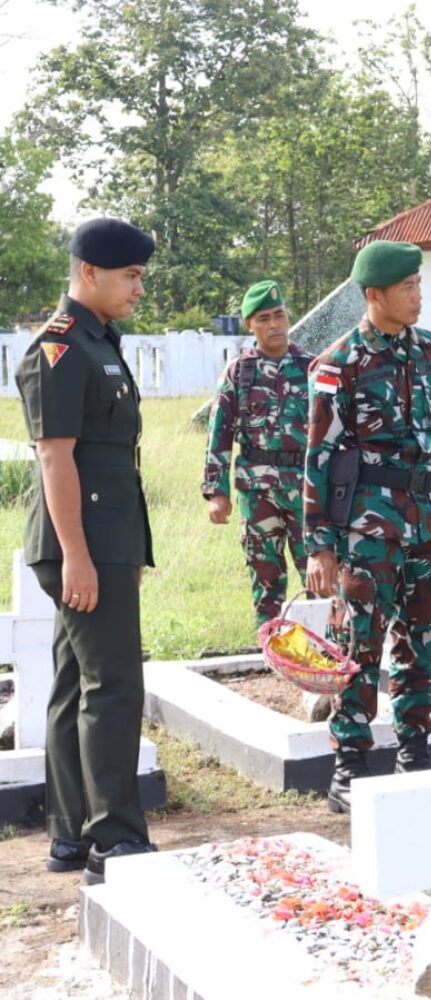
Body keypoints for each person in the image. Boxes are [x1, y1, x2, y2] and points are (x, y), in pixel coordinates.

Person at [17, 218, 157, 882]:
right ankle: (117, 840)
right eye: (129, 276)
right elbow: (54, 456)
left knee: (77, 685)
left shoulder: (99, 341)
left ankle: (71, 836)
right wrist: (76, 555)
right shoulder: (63, 348)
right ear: (89, 273)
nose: (138, 289)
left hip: (103, 537)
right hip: (84, 542)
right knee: (113, 685)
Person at [304, 240, 431, 812]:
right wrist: (321, 544)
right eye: (407, 287)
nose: (419, 296)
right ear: (374, 295)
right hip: (367, 518)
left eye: (419, 284)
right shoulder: (337, 365)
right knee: (359, 639)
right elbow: (318, 456)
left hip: (424, 515)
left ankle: (415, 749)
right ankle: (350, 761)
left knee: (425, 634)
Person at [201, 280, 313, 626]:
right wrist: (216, 492)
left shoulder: (312, 367)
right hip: (257, 488)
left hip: (306, 488)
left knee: (318, 572)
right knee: (265, 575)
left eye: (279, 315)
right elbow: (218, 433)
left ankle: (323, 652)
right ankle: (271, 649)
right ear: (251, 324)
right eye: (264, 318)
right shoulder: (240, 372)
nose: (275, 324)